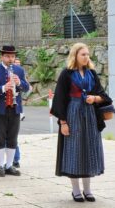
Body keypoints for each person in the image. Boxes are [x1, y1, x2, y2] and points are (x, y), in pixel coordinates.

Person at [50, 43, 111, 202]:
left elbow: (103, 96)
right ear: (75, 55)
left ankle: (88, 190)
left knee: (89, 150)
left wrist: (95, 98)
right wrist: (63, 123)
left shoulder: (91, 73)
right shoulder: (67, 74)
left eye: (88, 54)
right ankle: (76, 191)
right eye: (83, 54)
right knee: (74, 151)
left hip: (90, 115)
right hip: (73, 114)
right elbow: (60, 100)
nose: (86, 57)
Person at [0, 45, 29, 177]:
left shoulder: (19, 70)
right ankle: (0, 165)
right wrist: (4, 88)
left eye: (12, 56)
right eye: (7, 56)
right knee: (0, 138)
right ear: (2, 57)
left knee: (12, 138)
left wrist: (19, 83)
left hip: (15, 108)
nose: (10, 59)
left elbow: (26, 87)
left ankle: (9, 166)